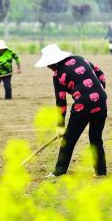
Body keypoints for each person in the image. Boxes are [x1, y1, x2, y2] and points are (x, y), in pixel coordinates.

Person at [35, 44, 108, 177]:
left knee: (69, 139)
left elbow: (61, 102)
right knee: (96, 138)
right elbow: (101, 75)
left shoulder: (58, 74)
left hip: (83, 105)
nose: (48, 67)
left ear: (55, 61)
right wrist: (98, 91)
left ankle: (59, 172)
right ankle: (101, 172)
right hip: (102, 101)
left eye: (49, 64)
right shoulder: (80, 59)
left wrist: (60, 126)